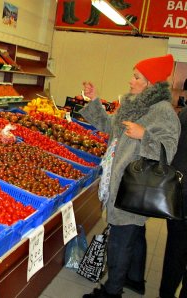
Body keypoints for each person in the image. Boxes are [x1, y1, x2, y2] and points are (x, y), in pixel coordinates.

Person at [81, 54, 181, 298]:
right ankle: (135, 280)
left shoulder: (163, 111)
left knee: (120, 240)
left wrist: (144, 135)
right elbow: (109, 126)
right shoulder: (134, 105)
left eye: (136, 77)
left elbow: (170, 150)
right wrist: (93, 100)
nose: (130, 81)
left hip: (134, 185)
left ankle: (112, 290)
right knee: (133, 234)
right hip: (121, 183)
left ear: (150, 83)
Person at [159, 106, 187, 298]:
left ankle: (166, 294)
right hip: (182, 192)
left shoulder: (184, 116)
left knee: (175, 251)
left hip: (181, 193)